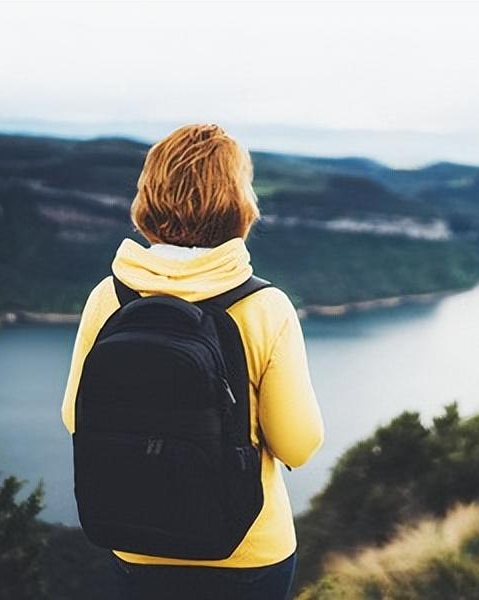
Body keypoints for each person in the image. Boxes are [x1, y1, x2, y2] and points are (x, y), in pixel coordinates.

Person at [60, 124, 324, 600]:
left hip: (136, 541)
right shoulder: (264, 306)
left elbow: (72, 416)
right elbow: (298, 445)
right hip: (247, 549)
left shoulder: (110, 296)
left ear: (148, 197)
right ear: (239, 201)